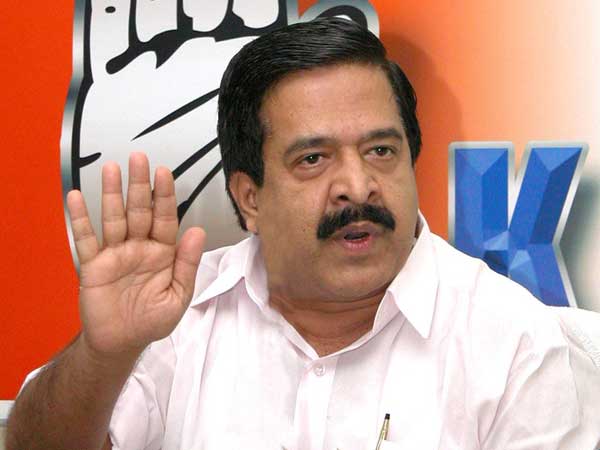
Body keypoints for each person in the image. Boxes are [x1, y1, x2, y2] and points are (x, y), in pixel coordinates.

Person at [6, 17, 600, 450]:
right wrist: (104, 355)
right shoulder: (178, 318)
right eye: (313, 159)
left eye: (381, 150)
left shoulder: (514, 342)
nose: (358, 186)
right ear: (250, 198)